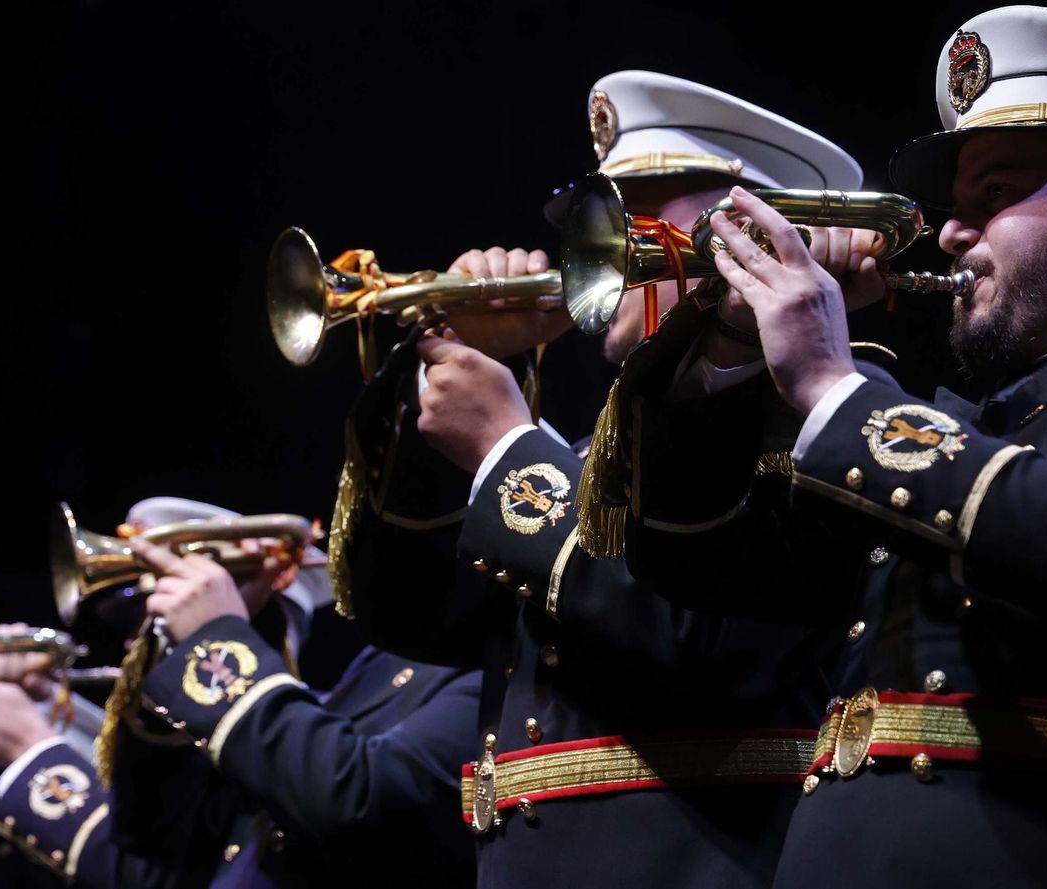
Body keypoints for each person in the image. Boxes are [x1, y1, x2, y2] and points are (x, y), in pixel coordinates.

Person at [613, 7, 1047, 885]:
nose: (950, 231)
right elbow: (701, 565)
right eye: (958, 207)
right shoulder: (965, 418)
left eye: (995, 195)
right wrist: (726, 350)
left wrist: (832, 385)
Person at [337, 70, 880, 886]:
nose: (612, 243)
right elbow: (410, 611)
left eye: (651, 214)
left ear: (767, 233)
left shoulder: (813, 415)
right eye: (608, 214)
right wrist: (472, 356)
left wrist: (506, 448)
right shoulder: (597, 456)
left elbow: (703, 643)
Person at [0, 497, 479, 888]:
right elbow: (156, 836)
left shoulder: (475, 677)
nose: (148, 628)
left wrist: (216, 638)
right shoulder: (372, 675)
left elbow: (360, 803)